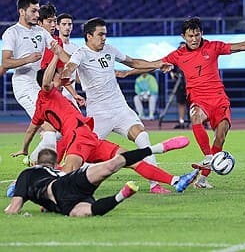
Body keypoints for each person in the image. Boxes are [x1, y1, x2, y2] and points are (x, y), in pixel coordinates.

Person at [120, 17, 245, 188]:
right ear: (184, 36)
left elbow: (239, 46)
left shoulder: (213, 46)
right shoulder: (178, 55)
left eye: (197, 35)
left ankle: (202, 180)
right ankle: (208, 156)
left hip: (219, 98)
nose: (194, 39)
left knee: (220, 137)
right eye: (190, 36)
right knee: (195, 117)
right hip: (198, 98)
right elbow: (152, 65)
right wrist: (126, 74)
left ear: (201, 33)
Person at [10, 53, 197, 193]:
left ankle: (175, 181)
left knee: (132, 159)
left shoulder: (42, 108)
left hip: (89, 137)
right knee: (65, 175)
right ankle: (25, 187)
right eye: (56, 75)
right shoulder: (46, 94)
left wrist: (25, 149)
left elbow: (31, 130)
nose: (60, 76)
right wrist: (55, 57)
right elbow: (46, 82)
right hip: (79, 137)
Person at [60, 17, 174, 194]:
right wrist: (66, 74)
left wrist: (157, 65)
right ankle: (61, 179)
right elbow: (70, 67)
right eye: (100, 34)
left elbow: (133, 62)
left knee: (142, 137)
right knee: (84, 155)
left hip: (120, 109)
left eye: (105, 34)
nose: (104, 38)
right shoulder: (81, 53)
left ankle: (155, 185)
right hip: (98, 114)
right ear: (89, 36)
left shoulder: (110, 50)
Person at [5, 146, 196, 216]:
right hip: (71, 182)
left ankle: (121, 196)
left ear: (37, 162)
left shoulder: (27, 174)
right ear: (55, 164)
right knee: (111, 166)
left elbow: (14, 208)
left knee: (87, 212)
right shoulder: (56, 172)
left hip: (63, 201)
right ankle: (156, 148)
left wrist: (11, 208)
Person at [1, 0, 58, 162]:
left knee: (57, 129)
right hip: (22, 85)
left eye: (38, 11)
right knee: (50, 128)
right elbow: (5, 61)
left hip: (35, 84)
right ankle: (38, 169)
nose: (37, 15)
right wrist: (27, 59)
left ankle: (32, 160)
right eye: (33, 11)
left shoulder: (40, 31)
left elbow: (58, 50)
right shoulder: (12, 33)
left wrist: (75, 62)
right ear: (22, 11)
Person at [170, 42, 188, 129]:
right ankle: (181, 122)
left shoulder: (195, 57)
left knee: (196, 103)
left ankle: (201, 122)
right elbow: (171, 69)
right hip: (180, 84)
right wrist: (172, 74)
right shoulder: (176, 59)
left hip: (193, 83)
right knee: (181, 103)